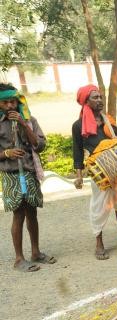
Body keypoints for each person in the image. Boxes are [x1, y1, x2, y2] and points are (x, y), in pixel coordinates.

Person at [0, 83, 56, 272]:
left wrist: (24, 124)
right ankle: (18, 259)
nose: (10, 106)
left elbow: (40, 146)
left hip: (29, 172)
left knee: (32, 212)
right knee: (19, 214)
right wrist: (6, 153)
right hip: (11, 174)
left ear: (18, 101)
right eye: (5, 103)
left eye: (13, 102)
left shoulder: (29, 119)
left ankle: (36, 252)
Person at [72, 85, 117, 260]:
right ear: (86, 102)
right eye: (95, 98)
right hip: (98, 172)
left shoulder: (108, 121)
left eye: (100, 97)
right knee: (99, 207)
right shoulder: (78, 125)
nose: (100, 100)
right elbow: (78, 151)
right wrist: (79, 176)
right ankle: (99, 243)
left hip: (116, 169)